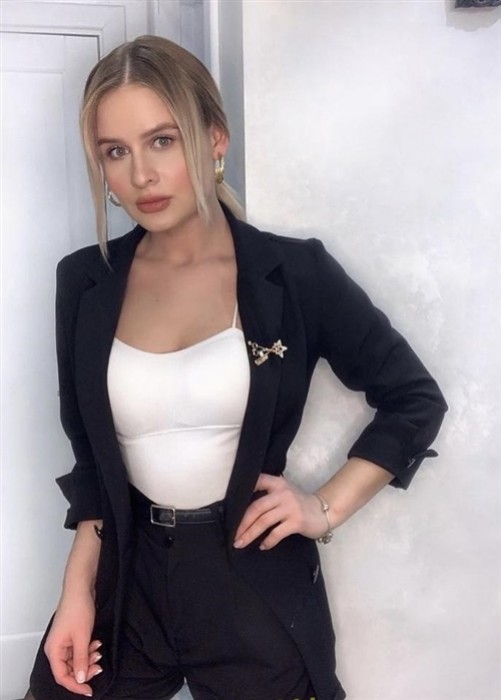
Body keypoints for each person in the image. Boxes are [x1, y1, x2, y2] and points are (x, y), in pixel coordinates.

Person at [28, 35, 447, 700]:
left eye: (162, 140)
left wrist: (323, 508)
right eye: (116, 151)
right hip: (127, 578)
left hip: (252, 580)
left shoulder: (293, 274)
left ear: (214, 139)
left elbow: (413, 397)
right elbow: (90, 460)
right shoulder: (85, 281)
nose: (141, 175)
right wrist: (76, 592)